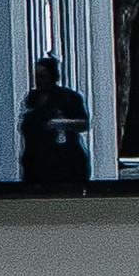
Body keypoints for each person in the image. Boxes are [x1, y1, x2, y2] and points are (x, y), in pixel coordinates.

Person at [17, 57, 91, 185]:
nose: (38, 81)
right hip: (37, 161)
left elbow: (83, 124)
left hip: (64, 159)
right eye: (36, 77)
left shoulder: (68, 97)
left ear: (53, 76)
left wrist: (59, 123)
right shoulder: (33, 98)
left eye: (42, 76)